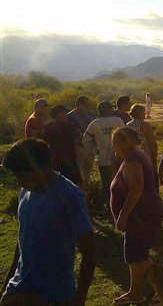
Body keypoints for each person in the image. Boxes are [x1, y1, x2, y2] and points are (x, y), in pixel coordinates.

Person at [0, 139, 96, 306]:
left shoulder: (69, 195)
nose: (19, 182)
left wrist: (79, 299)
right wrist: (6, 285)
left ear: (44, 168)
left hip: (53, 294)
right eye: (16, 176)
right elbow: (22, 241)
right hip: (19, 288)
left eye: (22, 176)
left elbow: (89, 251)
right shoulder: (25, 192)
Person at [110, 127, 163, 305]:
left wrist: (122, 216)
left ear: (124, 142)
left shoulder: (133, 160)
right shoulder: (135, 155)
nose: (113, 148)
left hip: (140, 215)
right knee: (137, 255)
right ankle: (149, 290)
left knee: (136, 255)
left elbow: (136, 190)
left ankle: (145, 292)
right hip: (143, 213)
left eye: (114, 143)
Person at [82, 101, 125, 206]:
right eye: (111, 108)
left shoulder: (95, 123)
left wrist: (95, 150)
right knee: (121, 183)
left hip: (103, 160)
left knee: (106, 185)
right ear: (108, 110)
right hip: (119, 158)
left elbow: (85, 140)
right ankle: (120, 204)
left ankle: (107, 205)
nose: (113, 110)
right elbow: (126, 136)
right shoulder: (118, 120)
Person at [44, 105, 82, 185]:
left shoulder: (48, 127)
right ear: (60, 113)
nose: (67, 114)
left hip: (55, 160)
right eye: (65, 112)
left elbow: (46, 142)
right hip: (70, 159)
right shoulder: (69, 125)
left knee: (58, 184)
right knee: (76, 184)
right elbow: (77, 140)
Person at [68, 96, 97, 190]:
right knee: (78, 169)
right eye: (84, 104)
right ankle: (78, 190)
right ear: (78, 105)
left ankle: (86, 189)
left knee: (87, 169)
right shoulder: (70, 116)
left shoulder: (91, 114)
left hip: (90, 146)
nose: (87, 106)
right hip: (77, 147)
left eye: (87, 103)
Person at [126, 104, 158, 171]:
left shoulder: (128, 125)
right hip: (145, 154)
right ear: (140, 113)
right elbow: (152, 141)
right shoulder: (145, 125)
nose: (145, 114)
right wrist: (154, 155)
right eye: (144, 112)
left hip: (133, 154)